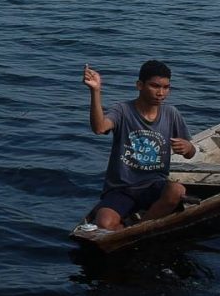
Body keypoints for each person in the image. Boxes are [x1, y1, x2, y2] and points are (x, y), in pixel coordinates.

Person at [80, 59, 196, 232]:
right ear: (140, 85)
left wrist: (188, 147)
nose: (161, 93)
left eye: (166, 88)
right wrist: (95, 91)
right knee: (103, 223)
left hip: (154, 186)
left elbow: (190, 153)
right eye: (155, 86)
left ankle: (138, 228)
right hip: (122, 188)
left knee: (177, 190)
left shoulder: (171, 114)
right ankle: (130, 226)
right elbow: (99, 127)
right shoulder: (123, 110)